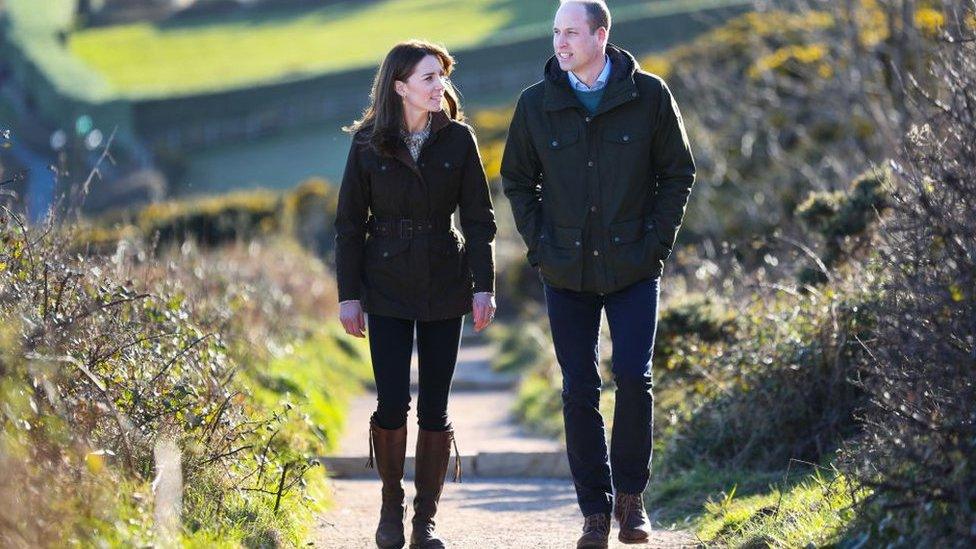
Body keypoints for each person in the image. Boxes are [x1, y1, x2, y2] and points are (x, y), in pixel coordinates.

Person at [500, 1, 696, 547]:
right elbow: (517, 179)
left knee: (634, 377)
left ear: (601, 35)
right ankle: (593, 511)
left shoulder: (650, 95)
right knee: (578, 388)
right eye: (555, 32)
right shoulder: (535, 104)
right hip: (564, 272)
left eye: (570, 32)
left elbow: (678, 172)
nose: (559, 43)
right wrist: (540, 248)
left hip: (634, 265)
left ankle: (631, 502)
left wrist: (655, 244)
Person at [334, 40, 497, 549]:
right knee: (390, 403)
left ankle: (425, 519)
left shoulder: (460, 140)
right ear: (400, 86)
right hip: (383, 288)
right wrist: (348, 295)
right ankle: (389, 507)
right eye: (429, 77)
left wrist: (484, 286)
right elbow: (347, 227)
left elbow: (479, 221)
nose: (439, 86)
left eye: (442, 76)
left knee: (435, 405)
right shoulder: (366, 143)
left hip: (445, 283)